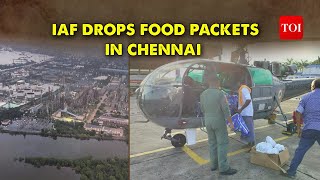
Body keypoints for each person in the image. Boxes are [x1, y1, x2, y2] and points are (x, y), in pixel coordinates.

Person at [200, 74, 237, 175]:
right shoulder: (220, 93)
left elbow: (202, 109)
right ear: (217, 82)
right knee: (222, 143)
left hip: (208, 121)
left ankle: (213, 165)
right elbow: (225, 109)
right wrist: (231, 123)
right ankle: (224, 168)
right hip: (218, 121)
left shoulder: (203, 94)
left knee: (212, 143)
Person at [283, 78, 320, 178]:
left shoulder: (306, 97)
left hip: (309, 129)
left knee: (300, 152)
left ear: (313, 86)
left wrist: (299, 128)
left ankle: (291, 172)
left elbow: (298, 112)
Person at [236, 80, 255, 147]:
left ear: (239, 82)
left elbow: (248, 100)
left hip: (247, 113)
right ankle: (248, 143)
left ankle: (252, 144)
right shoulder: (241, 89)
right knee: (246, 129)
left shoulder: (243, 89)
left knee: (249, 128)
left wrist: (241, 109)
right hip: (244, 113)